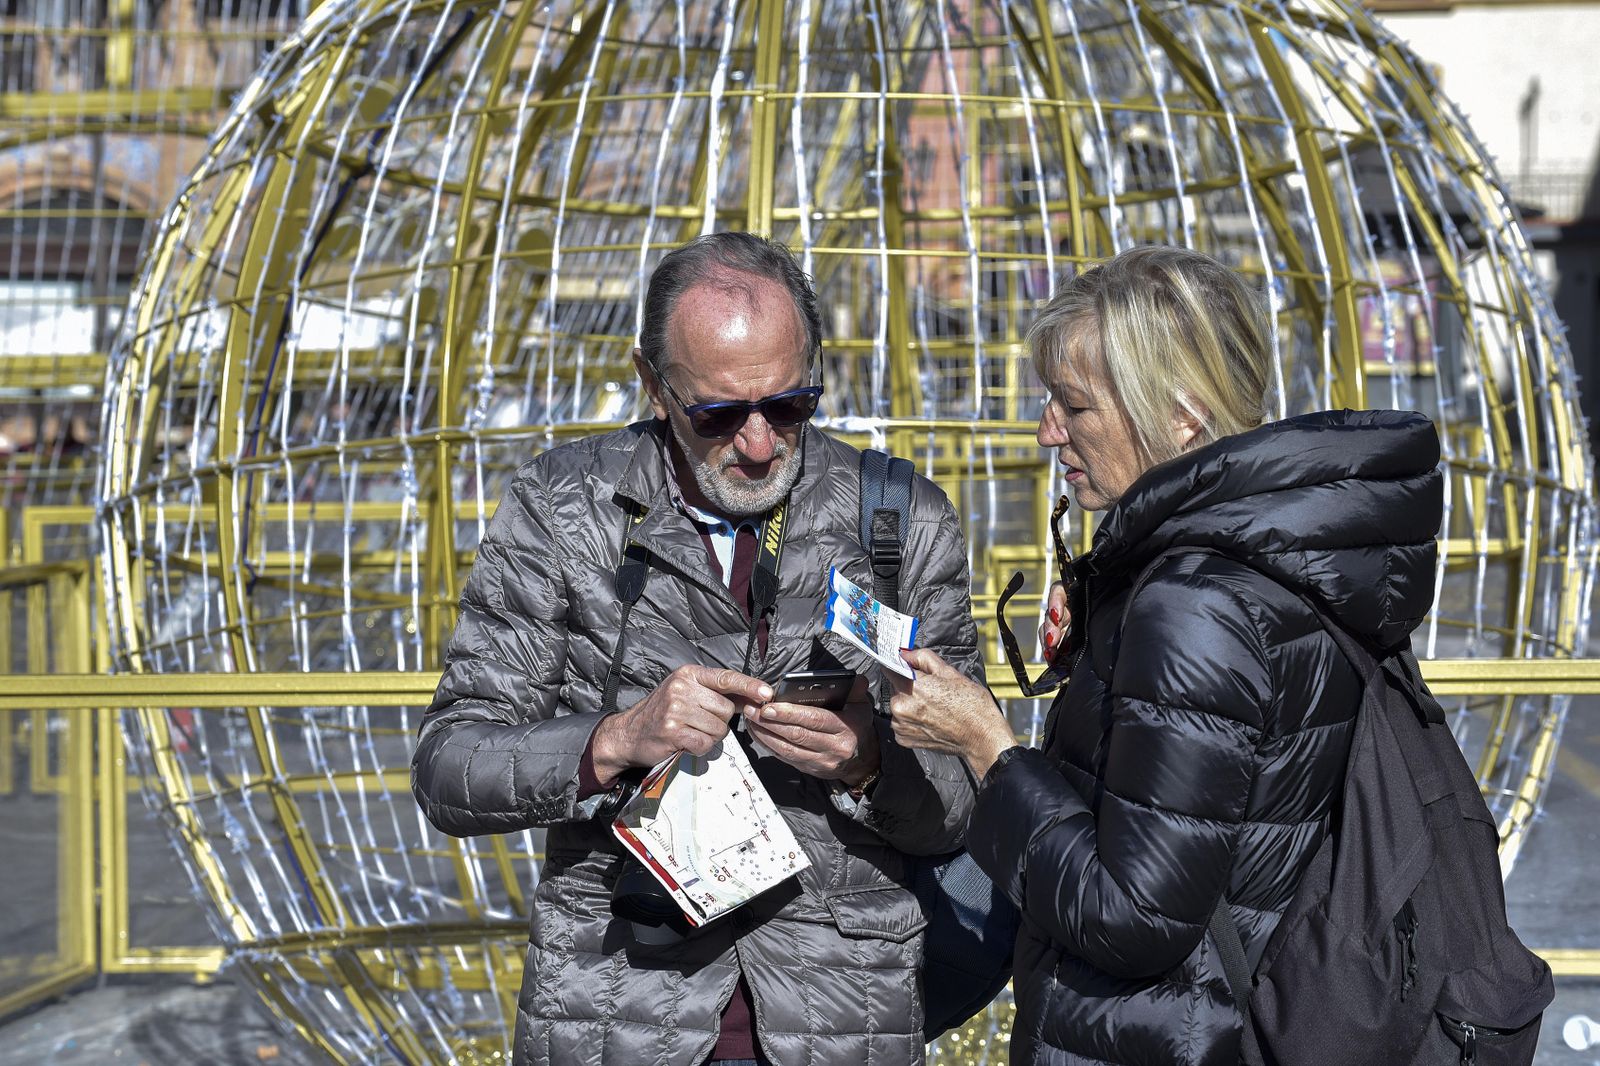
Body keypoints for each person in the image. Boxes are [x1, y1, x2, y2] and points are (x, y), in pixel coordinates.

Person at [412, 231, 983, 1066]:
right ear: (652, 385)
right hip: (617, 1013)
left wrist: (868, 765)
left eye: (788, 406)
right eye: (719, 414)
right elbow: (448, 769)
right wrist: (614, 740)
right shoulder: (563, 510)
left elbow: (966, 799)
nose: (758, 444)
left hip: (839, 1023)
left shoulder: (897, 519)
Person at [888, 246, 1443, 1065]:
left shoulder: (1196, 602)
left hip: (1166, 1038)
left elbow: (1131, 917)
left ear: (1180, 418)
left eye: (1073, 406)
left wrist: (987, 747)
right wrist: (1103, 654)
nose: (1048, 432)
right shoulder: (1278, 551)